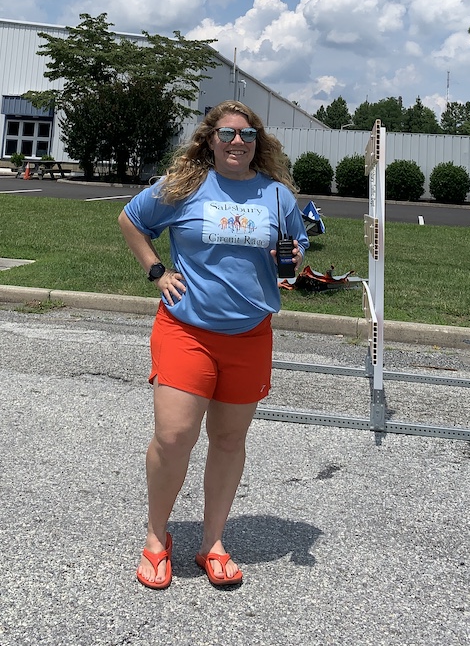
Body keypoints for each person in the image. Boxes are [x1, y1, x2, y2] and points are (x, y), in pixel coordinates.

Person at [118, 100, 308, 589]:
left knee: (228, 440)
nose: (237, 142)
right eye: (227, 134)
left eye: (247, 135)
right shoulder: (184, 186)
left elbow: (297, 246)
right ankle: (156, 538)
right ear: (210, 140)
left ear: (258, 142)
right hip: (187, 329)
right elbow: (131, 220)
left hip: (249, 335)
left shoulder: (277, 195)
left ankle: (213, 542)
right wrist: (157, 271)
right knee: (174, 436)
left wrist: (292, 258)